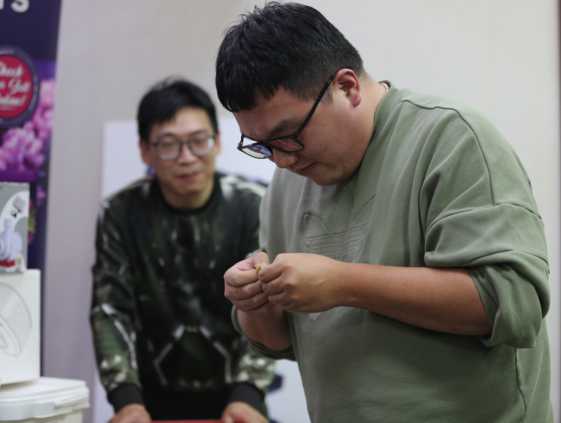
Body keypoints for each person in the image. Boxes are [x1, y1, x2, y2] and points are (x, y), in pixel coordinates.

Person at [216, 3, 553, 423]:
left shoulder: (451, 139)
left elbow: (512, 302)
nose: (282, 160)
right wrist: (254, 302)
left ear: (347, 87)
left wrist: (344, 284)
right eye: (261, 146)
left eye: (288, 135)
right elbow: (282, 342)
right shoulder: (287, 182)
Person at [90, 77, 274, 423]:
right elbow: (110, 310)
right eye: (169, 144)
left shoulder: (252, 206)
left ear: (217, 142)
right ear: (145, 150)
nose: (187, 158)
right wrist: (126, 400)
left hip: (238, 400)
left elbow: (265, 305)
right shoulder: (120, 213)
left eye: (198, 141)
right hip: (146, 403)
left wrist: (249, 394)